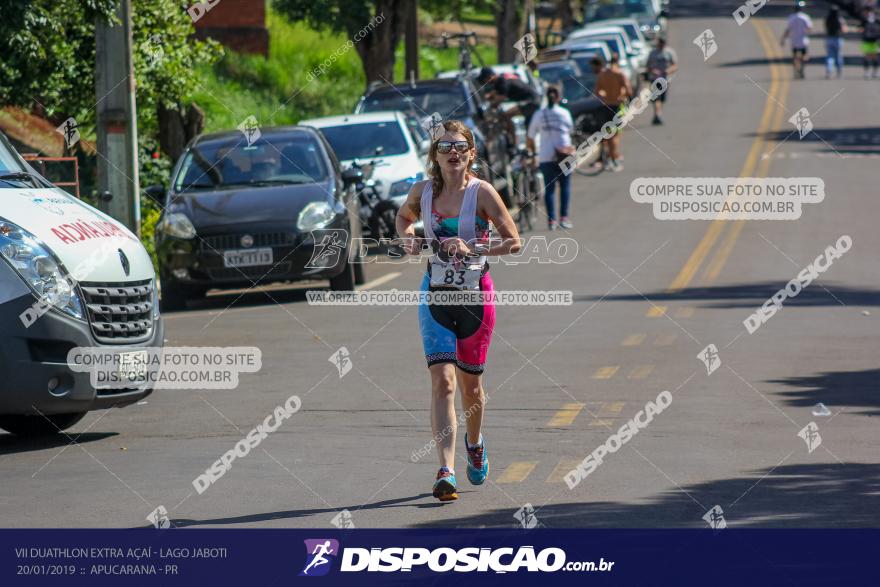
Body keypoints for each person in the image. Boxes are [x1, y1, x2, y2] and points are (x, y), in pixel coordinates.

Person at [396, 120, 521, 502]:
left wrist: (476, 250)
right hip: (435, 294)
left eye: (460, 146)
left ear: (471, 153)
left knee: (471, 387)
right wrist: (407, 239)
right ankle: (445, 470)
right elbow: (404, 219)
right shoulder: (422, 192)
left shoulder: (482, 193)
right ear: (434, 154)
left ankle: (475, 441)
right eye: (444, 146)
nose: (453, 152)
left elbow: (513, 241)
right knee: (443, 382)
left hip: (475, 297)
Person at [527, 85, 575, 230]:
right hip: (564, 154)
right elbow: (571, 131)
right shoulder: (564, 113)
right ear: (558, 97)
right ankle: (564, 218)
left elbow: (530, 137)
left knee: (550, 189)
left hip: (546, 156)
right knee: (565, 186)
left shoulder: (538, 114)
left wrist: (534, 153)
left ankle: (551, 221)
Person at [477, 67, 542, 146]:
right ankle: (521, 146)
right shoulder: (501, 80)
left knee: (506, 115)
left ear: (490, 77)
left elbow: (501, 97)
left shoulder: (501, 81)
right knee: (528, 130)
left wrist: (491, 105)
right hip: (533, 100)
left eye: (485, 80)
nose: (485, 83)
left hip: (531, 101)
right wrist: (489, 97)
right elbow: (496, 93)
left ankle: (514, 142)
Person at [593, 55, 632, 172]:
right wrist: (623, 96)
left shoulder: (602, 74)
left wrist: (604, 96)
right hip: (617, 106)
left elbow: (597, 91)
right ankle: (614, 158)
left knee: (608, 134)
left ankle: (611, 158)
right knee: (615, 135)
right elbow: (629, 90)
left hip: (606, 105)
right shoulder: (619, 74)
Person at [645, 37, 678, 125]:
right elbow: (648, 66)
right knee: (656, 98)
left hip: (665, 79)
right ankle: (658, 115)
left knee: (662, 99)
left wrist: (668, 70)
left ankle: (657, 114)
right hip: (654, 79)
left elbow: (675, 66)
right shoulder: (653, 53)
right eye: (660, 43)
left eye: (663, 43)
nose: (661, 45)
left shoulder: (669, 52)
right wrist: (653, 71)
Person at [781, 1, 813, 79]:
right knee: (804, 56)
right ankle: (801, 68)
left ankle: (796, 70)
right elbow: (809, 28)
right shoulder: (805, 17)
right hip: (803, 40)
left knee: (795, 57)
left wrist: (783, 38)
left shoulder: (791, 17)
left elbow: (788, 29)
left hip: (794, 40)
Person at [825, 5, 848, 78]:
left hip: (829, 38)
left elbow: (826, 27)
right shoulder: (840, 19)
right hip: (837, 39)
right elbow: (844, 29)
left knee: (830, 56)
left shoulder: (828, 18)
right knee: (838, 56)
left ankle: (829, 70)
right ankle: (839, 72)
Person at [860, 8, 880, 78]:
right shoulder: (864, 20)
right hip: (867, 41)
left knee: (875, 57)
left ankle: (875, 72)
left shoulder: (877, 20)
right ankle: (867, 72)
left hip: (875, 41)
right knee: (867, 57)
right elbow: (861, 29)